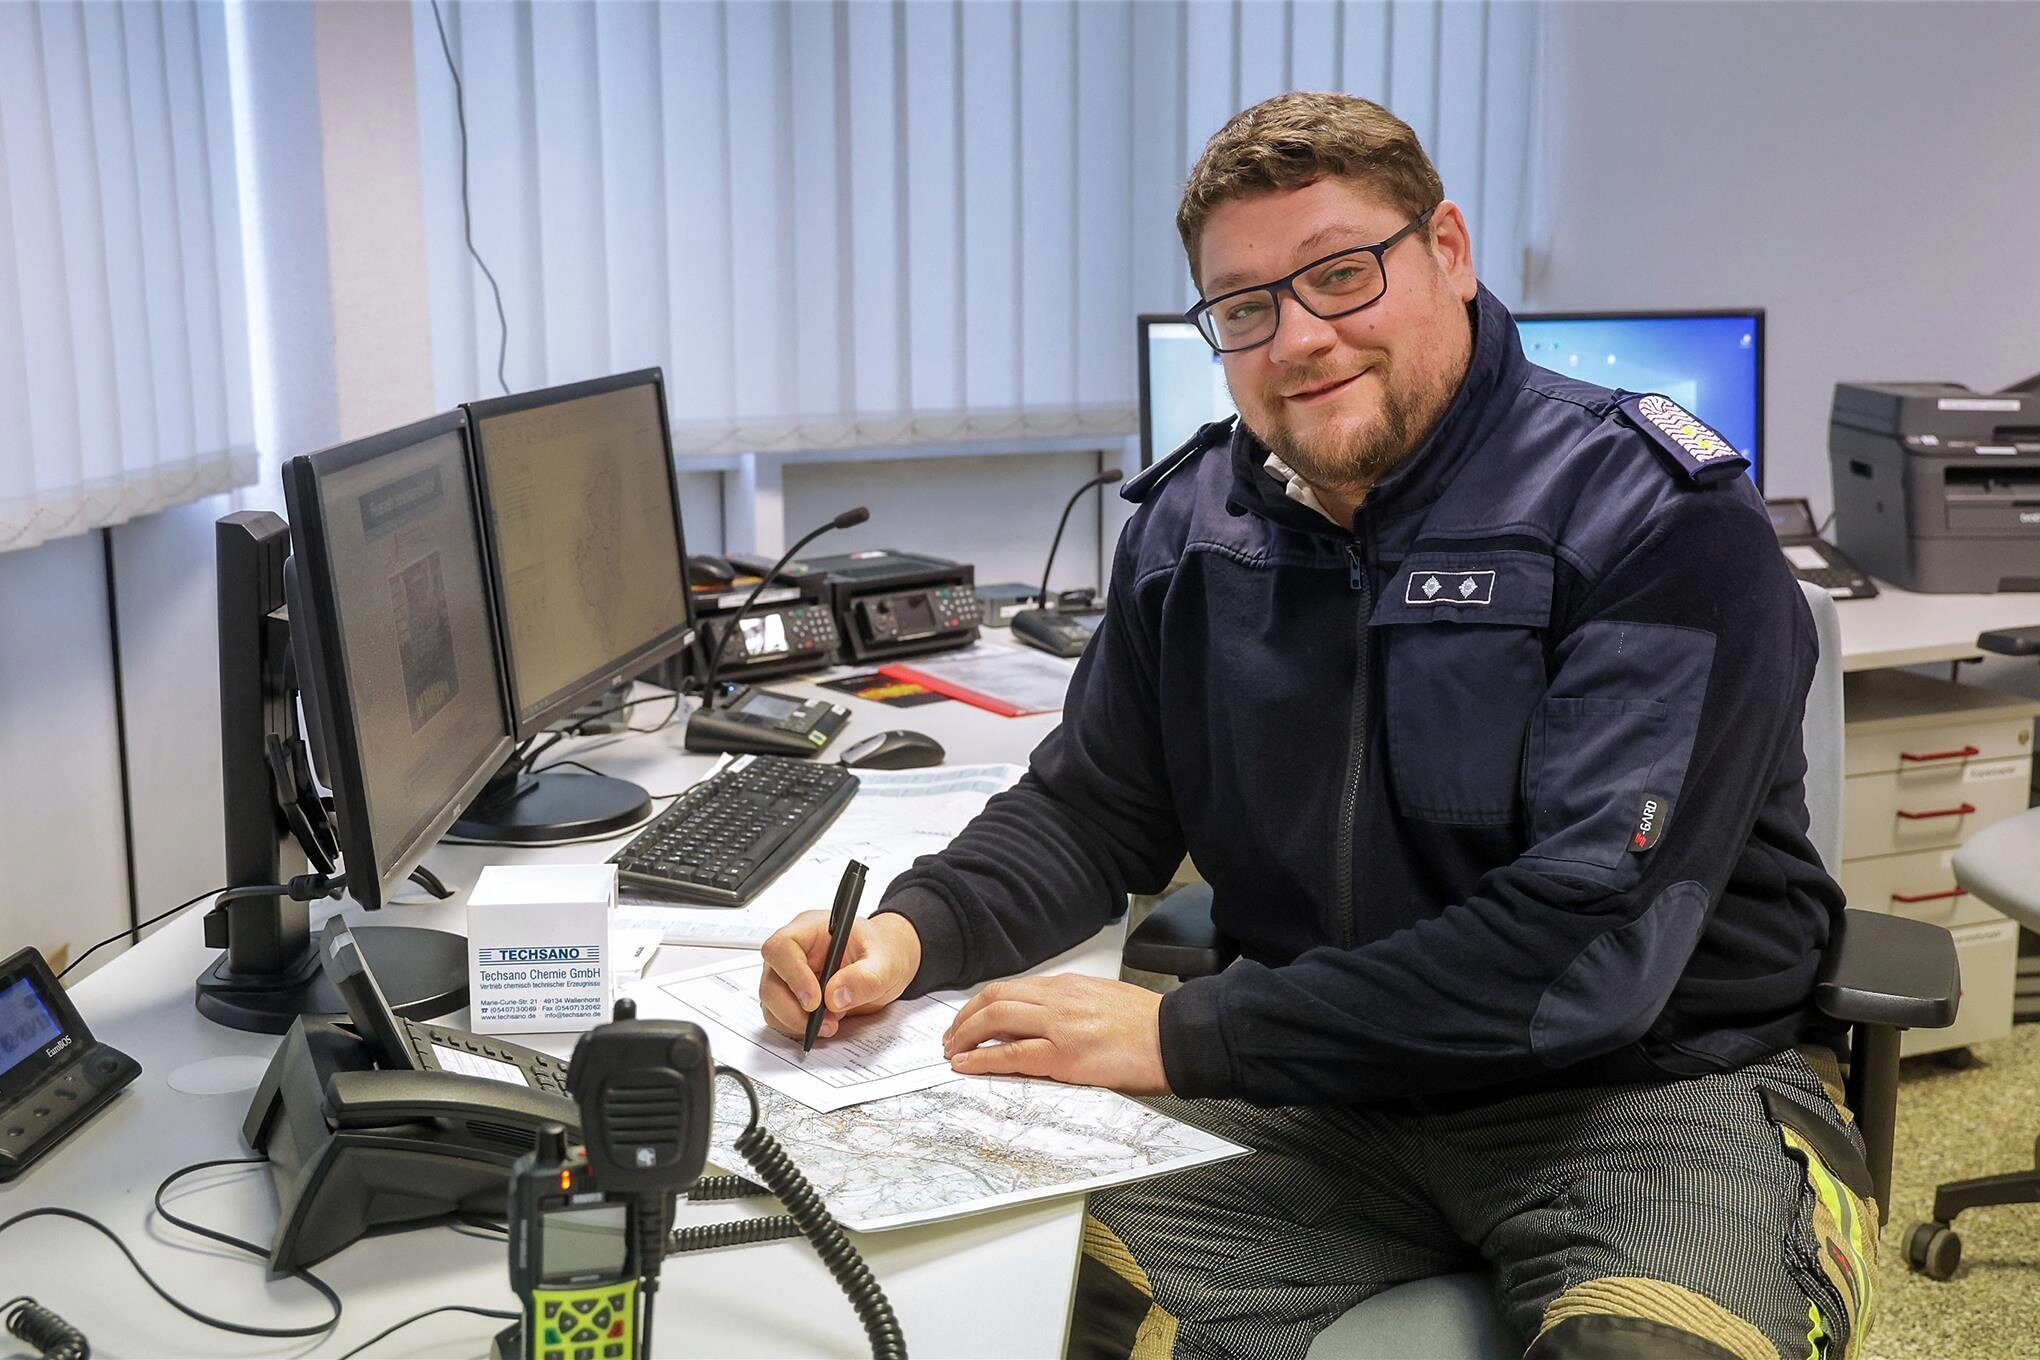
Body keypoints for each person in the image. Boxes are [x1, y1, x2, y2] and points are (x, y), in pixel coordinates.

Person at [759, 92, 1874, 1360]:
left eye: (1342, 274)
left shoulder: (1653, 518)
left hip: (1648, 1095)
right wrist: (912, 932)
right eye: (1246, 307)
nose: (1298, 337)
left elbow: (1588, 949)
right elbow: (1093, 808)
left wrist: (1186, 1032)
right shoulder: (1190, 532)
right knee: (985, 1293)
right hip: (1325, 1098)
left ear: (1447, 251)